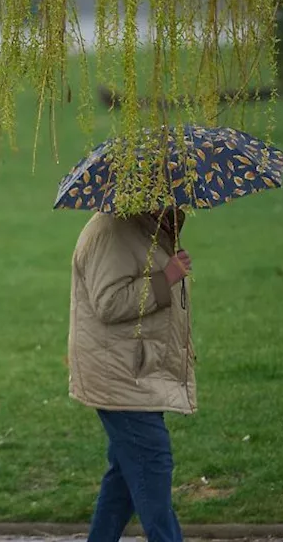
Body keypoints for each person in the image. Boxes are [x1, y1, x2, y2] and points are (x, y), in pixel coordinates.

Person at [68, 207, 194, 542]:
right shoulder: (111, 231)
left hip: (137, 369)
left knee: (125, 479)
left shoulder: (142, 226)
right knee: (153, 465)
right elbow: (109, 303)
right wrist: (165, 278)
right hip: (121, 376)